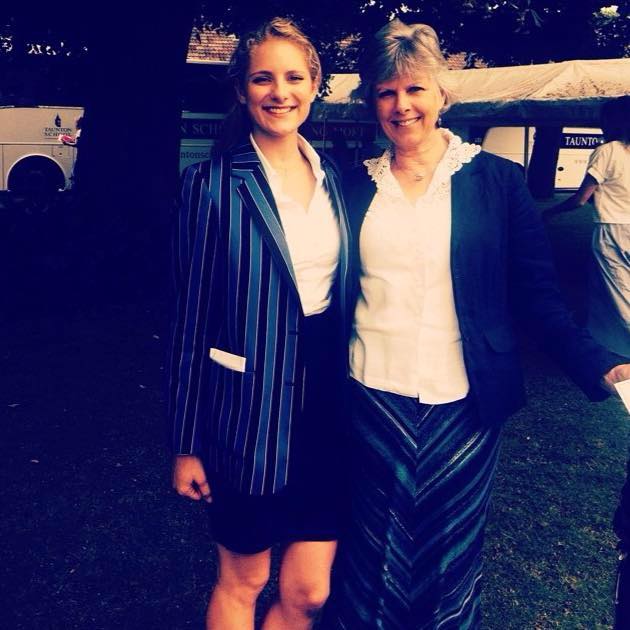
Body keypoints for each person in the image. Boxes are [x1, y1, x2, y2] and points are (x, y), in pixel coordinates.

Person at [331, 19, 630, 629]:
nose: (401, 105)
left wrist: (600, 362)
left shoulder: (497, 181)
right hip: (370, 397)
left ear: (443, 93)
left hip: (465, 401)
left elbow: (537, 296)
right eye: (386, 92)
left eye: (415, 89)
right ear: (372, 102)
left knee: (449, 552)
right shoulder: (351, 186)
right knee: (372, 549)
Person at [168, 18, 350, 630]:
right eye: (262, 78)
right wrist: (186, 443)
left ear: (315, 85)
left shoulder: (337, 179)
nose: (280, 92)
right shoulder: (210, 185)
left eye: (294, 77)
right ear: (241, 90)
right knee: (243, 580)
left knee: (311, 592)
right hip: (246, 413)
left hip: (329, 409)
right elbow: (189, 319)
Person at [544, 96, 630, 356]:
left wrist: (549, 212)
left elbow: (580, 199)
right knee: (610, 291)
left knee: (619, 294)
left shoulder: (607, 151)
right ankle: (607, 344)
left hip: (614, 230)